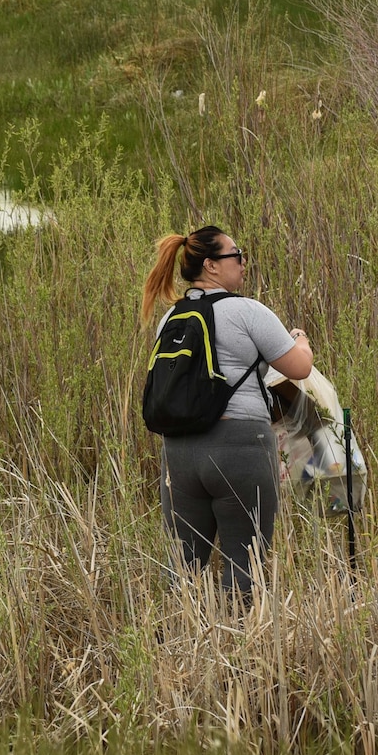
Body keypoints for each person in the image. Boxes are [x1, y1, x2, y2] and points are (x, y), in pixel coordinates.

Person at [143, 226, 313, 598]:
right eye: (236, 255)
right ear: (211, 265)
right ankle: (240, 650)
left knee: (184, 570)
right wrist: (301, 339)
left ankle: (181, 648)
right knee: (243, 564)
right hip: (240, 447)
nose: (243, 263)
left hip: (179, 455)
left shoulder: (170, 319)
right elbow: (299, 367)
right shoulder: (247, 311)